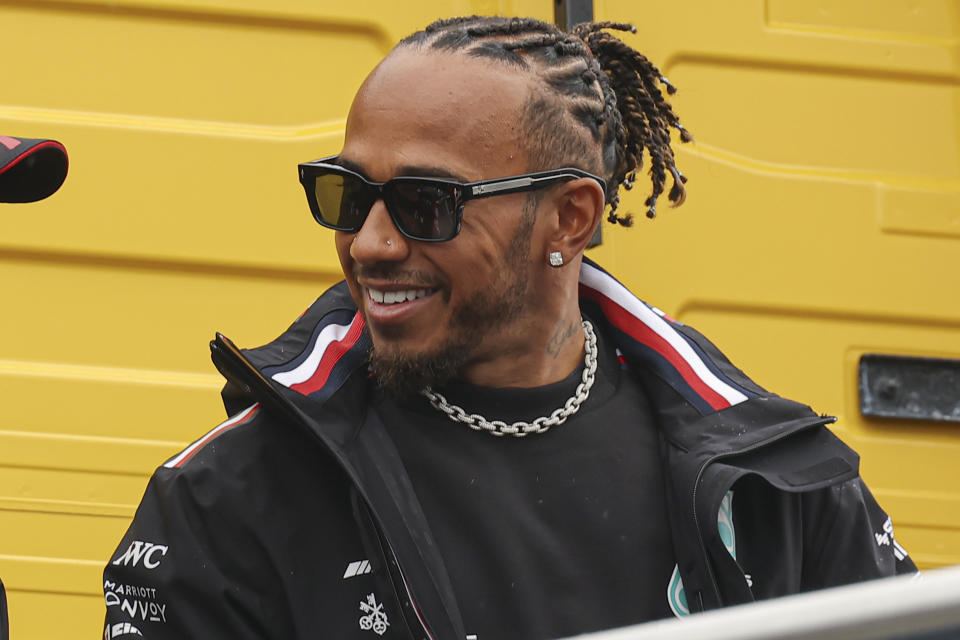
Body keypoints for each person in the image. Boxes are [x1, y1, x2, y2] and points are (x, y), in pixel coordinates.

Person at [101, 16, 916, 640]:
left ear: (568, 218)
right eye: (346, 195)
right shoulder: (230, 495)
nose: (373, 243)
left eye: (428, 204)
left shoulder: (773, 477)